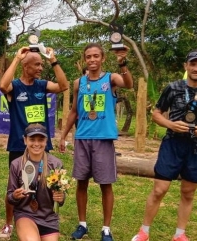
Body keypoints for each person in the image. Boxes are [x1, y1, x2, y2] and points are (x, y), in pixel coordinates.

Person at [131, 49, 197, 241]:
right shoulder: (173, 88)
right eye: (193, 64)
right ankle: (144, 232)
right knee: (159, 190)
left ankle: (180, 235)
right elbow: (156, 113)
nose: (196, 68)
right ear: (186, 66)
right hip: (172, 144)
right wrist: (171, 124)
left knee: (188, 193)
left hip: (196, 147)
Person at [59, 43, 133, 241]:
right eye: (88, 57)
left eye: (96, 56)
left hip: (103, 139)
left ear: (102, 59)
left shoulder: (111, 79)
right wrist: (64, 135)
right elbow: (74, 111)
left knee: (105, 184)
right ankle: (82, 224)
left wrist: (122, 63)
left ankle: (106, 228)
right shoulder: (79, 83)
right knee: (81, 182)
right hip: (82, 138)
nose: (92, 60)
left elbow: (129, 84)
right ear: (85, 59)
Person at [0, 46, 69, 239]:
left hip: (41, 144)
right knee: (14, 188)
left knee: (47, 182)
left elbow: (63, 86)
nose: (40, 68)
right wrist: (16, 58)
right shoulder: (15, 87)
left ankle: (44, 216)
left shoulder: (42, 85)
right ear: (25, 66)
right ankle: (9, 223)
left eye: (41, 64)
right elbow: (3, 86)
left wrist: (53, 60)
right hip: (18, 146)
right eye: (36, 64)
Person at [7, 123, 65, 241]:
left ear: (46, 141)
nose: (36, 144)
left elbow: (61, 199)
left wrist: (61, 197)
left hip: (49, 218)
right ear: (25, 140)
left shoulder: (56, 164)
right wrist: (15, 195)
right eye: (32, 139)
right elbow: (10, 197)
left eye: (41, 139)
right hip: (25, 214)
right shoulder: (16, 164)